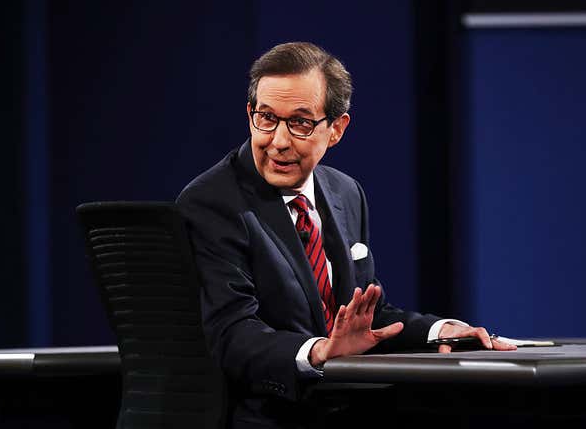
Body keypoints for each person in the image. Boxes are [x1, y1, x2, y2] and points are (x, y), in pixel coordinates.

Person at [176, 41, 515, 428]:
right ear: (250, 114)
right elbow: (232, 333)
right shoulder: (212, 202)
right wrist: (321, 350)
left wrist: (443, 330)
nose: (278, 140)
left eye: (300, 123)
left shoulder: (344, 193)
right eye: (266, 118)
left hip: (342, 406)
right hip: (263, 413)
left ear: (336, 128)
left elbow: (365, 319)